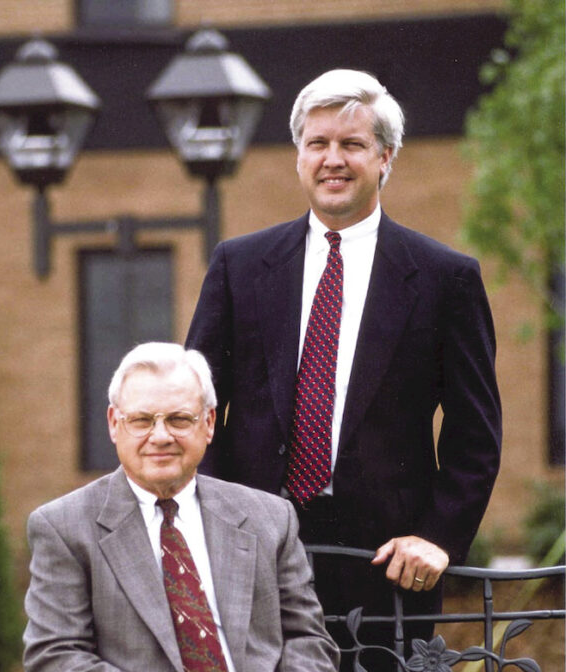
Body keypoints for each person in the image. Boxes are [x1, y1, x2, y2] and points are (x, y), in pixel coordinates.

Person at [185, 69, 502, 667]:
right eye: (318, 143)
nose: (334, 159)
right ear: (299, 156)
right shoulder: (239, 266)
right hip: (253, 555)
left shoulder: (444, 278)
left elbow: (474, 433)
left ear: (385, 158)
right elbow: (194, 406)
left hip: (385, 568)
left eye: (352, 144)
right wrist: (212, 520)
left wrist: (438, 538)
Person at [23, 342, 340, 671]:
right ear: (114, 424)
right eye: (142, 420)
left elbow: (309, 640)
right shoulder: (63, 528)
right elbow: (56, 656)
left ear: (209, 423)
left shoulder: (269, 518)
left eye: (179, 419)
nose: (160, 436)